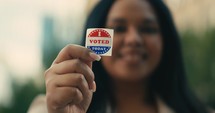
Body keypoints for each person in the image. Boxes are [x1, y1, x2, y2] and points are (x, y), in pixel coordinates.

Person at [28, 0, 214, 113]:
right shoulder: (48, 109)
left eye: (148, 29)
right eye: (119, 28)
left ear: (166, 41)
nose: (133, 39)